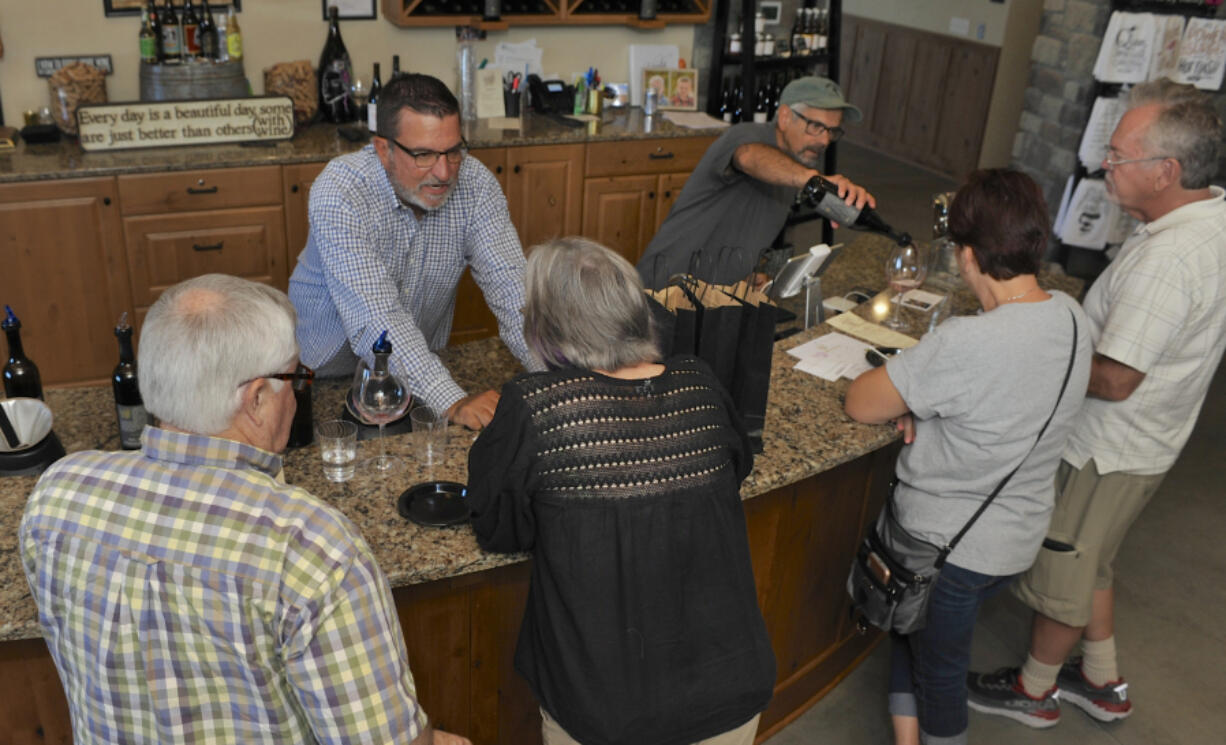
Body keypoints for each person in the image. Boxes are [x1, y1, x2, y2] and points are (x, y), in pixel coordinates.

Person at [20, 274, 469, 745]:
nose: (297, 396)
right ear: (257, 399)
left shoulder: (58, 495)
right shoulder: (311, 547)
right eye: (294, 378)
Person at [967, 79, 1226, 728]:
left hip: (1106, 448)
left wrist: (1033, 346)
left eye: (1118, 156)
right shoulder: (1206, 218)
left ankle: (1035, 690)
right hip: (1151, 442)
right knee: (1096, 557)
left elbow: (1114, 379)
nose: (1102, 165)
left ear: (1166, 171)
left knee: (1063, 567)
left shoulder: (1168, 260)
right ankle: (1101, 678)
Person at [467, 237, 777, 745]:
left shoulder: (536, 407)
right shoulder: (698, 384)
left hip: (607, 710)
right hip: (731, 692)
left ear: (544, 326)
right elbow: (734, 471)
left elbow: (499, 529)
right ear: (636, 312)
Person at [844, 170, 1093, 745]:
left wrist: (913, 398)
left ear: (967, 255)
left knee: (941, 678)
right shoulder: (1071, 317)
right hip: (1015, 539)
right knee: (916, 629)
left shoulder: (967, 342)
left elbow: (861, 403)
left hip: (948, 548)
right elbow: (1006, 402)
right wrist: (925, 404)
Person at [289, 73, 538, 430]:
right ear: (382, 149)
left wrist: (565, 379)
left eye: (453, 151)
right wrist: (453, 401)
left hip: (417, 373)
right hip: (323, 378)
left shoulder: (476, 184)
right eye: (423, 154)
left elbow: (515, 293)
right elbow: (377, 316)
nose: (443, 172)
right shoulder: (341, 190)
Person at [636, 76, 874, 287]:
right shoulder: (745, 136)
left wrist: (751, 271)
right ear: (784, 116)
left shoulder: (797, 164)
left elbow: (750, 224)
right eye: (816, 126)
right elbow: (750, 157)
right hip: (665, 287)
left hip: (715, 298)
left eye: (832, 131)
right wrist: (813, 180)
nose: (824, 140)